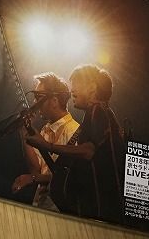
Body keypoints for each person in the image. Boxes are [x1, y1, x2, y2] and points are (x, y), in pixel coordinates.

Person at [26, 64, 124, 222]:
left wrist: (47, 146)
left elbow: (88, 151)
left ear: (92, 88)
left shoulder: (98, 110)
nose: (72, 90)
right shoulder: (97, 113)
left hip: (102, 212)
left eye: (77, 84)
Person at [11, 73, 79, 211]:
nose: (35, 103)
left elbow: (70, 177)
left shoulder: (75, 132)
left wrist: (33, 178)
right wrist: (24, 131)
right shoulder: (45, 129)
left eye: (38, 97)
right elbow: (36, 169)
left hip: (61, 209)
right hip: (41, 205)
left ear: (54, 100)